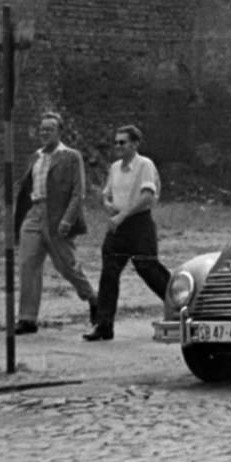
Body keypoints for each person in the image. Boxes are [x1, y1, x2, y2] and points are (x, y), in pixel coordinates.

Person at [13, 114, 100, 334]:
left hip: (57, 215)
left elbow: (78, 192)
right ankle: (27, 318)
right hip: (34, 214)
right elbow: (25, 190)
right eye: (42, 129)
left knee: (65, 265)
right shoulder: (36, 157)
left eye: (50, 129)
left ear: (59, 131)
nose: (45, 133)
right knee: (28, 265)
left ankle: (93, 298)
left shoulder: (70, 156)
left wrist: (67, 220)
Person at [85, 125, 172, 342]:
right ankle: (104, 325)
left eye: (123, 142)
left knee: (148, 269)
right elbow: (106, 194)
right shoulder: (115, 168)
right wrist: (107, 204)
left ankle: (181, 303)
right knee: (109, 274)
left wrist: (123, 215)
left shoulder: (144, 165)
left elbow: (147, 196)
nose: (118, 146)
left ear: (134, 144)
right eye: (116, 142)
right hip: (118, 228)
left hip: (139, 225)